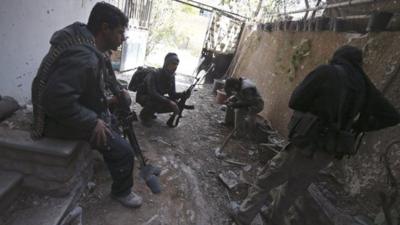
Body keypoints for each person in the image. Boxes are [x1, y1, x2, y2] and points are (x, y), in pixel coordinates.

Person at [230, 45, 400, 225]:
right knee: (292, 190)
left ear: (338, 58)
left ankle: (243, 216)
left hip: (306, 145)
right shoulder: (365, 87)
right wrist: (358, 126)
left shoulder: (327, 72)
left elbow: (296, 101)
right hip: (328, 152)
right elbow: (392, 116)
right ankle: (273, 218)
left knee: (265, 181)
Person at [31, 2, 143, 208]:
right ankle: (122, 192)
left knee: (115, 113)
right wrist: (92, 121)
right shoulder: (83, 56)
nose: (123, 38)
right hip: (53, 121)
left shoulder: (86, 40)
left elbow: (102, 78)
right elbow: (56, 101)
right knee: (125, 151)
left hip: (63, 110)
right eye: (119, 32)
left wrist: (116, 95)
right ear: (104, 28)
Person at [136, 52, 189, 127]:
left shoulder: (171, 76)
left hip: (156, 97)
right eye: (173, 64)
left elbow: (172, 94)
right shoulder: (154, 74)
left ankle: (151, 111)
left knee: (176, 103)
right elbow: (152, 93)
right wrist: (169, 101)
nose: (175, 66)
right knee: (155, 101)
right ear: (167, 63)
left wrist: (183, 94)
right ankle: (144, 115)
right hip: (144, 96)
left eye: (177, 64)